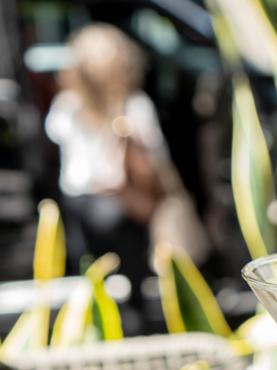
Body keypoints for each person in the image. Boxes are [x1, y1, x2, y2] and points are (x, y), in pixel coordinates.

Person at [45, 23, 204, 309]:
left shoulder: (67, 106)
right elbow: (156, 158)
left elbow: (68, 156)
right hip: (120, 203)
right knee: (131, 267)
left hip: (84, 202)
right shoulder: (132, 106)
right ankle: (134, 307)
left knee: (92, 272)